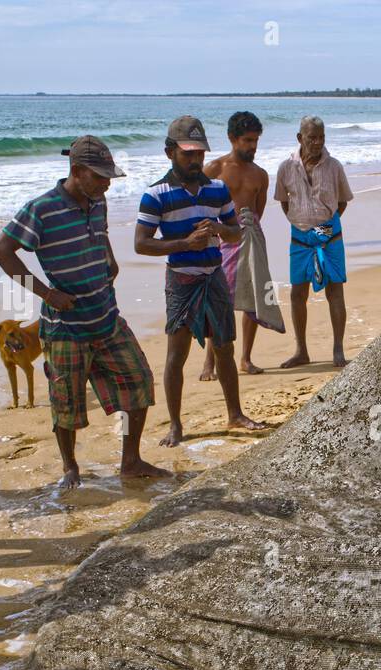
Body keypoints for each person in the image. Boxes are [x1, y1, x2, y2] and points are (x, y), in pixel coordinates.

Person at [0, 136, 169, 488]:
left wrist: (110, 260)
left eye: (108, 177)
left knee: (139, 382)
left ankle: (130, 461)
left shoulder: (97, 201)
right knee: (67, 403)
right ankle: (70, 467)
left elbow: (99, 235)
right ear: (76, 171)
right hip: (65, 328)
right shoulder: (41, 209)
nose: (106, 184)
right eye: (100, 177)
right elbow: (1, 250)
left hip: (106, 317)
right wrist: (46, 292)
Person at [134, 116, 261, 446]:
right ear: (169, 152)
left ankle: (235, 413)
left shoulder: (216, 189)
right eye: (188, 154)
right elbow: (141, 244)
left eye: (199, 154)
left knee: (224, 349)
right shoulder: (156, 195)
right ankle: (176, 425)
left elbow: (235, 233)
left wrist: (219, 230)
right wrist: (184, 244)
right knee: (177, 354)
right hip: (181, 280)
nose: (195, 160)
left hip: (213, 276)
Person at [202, 110, 285, 379]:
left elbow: (257, 212)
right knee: (219, 300)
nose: (252, 146)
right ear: (232, 138)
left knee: (254, 298)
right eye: (247, 140)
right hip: (222, 240)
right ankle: (209, 362)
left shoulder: (260, 174)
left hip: (251, 238)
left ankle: (246, 358)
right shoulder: (214, 170)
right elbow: (201, 207)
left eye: (256, 140)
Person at [274, 116, 354, 368]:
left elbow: (342, 202)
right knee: (298, 292)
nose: (317, 142)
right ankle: (301, 351)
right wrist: (302, 223)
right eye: (312, 137)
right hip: (299, 236)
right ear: (300, 138)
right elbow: (283, 202)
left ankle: (338, 350)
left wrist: (323, 228)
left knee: (335, 290)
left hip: (330, 235)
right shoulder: (286, 167)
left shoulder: (334, 166)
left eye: (321, 137)